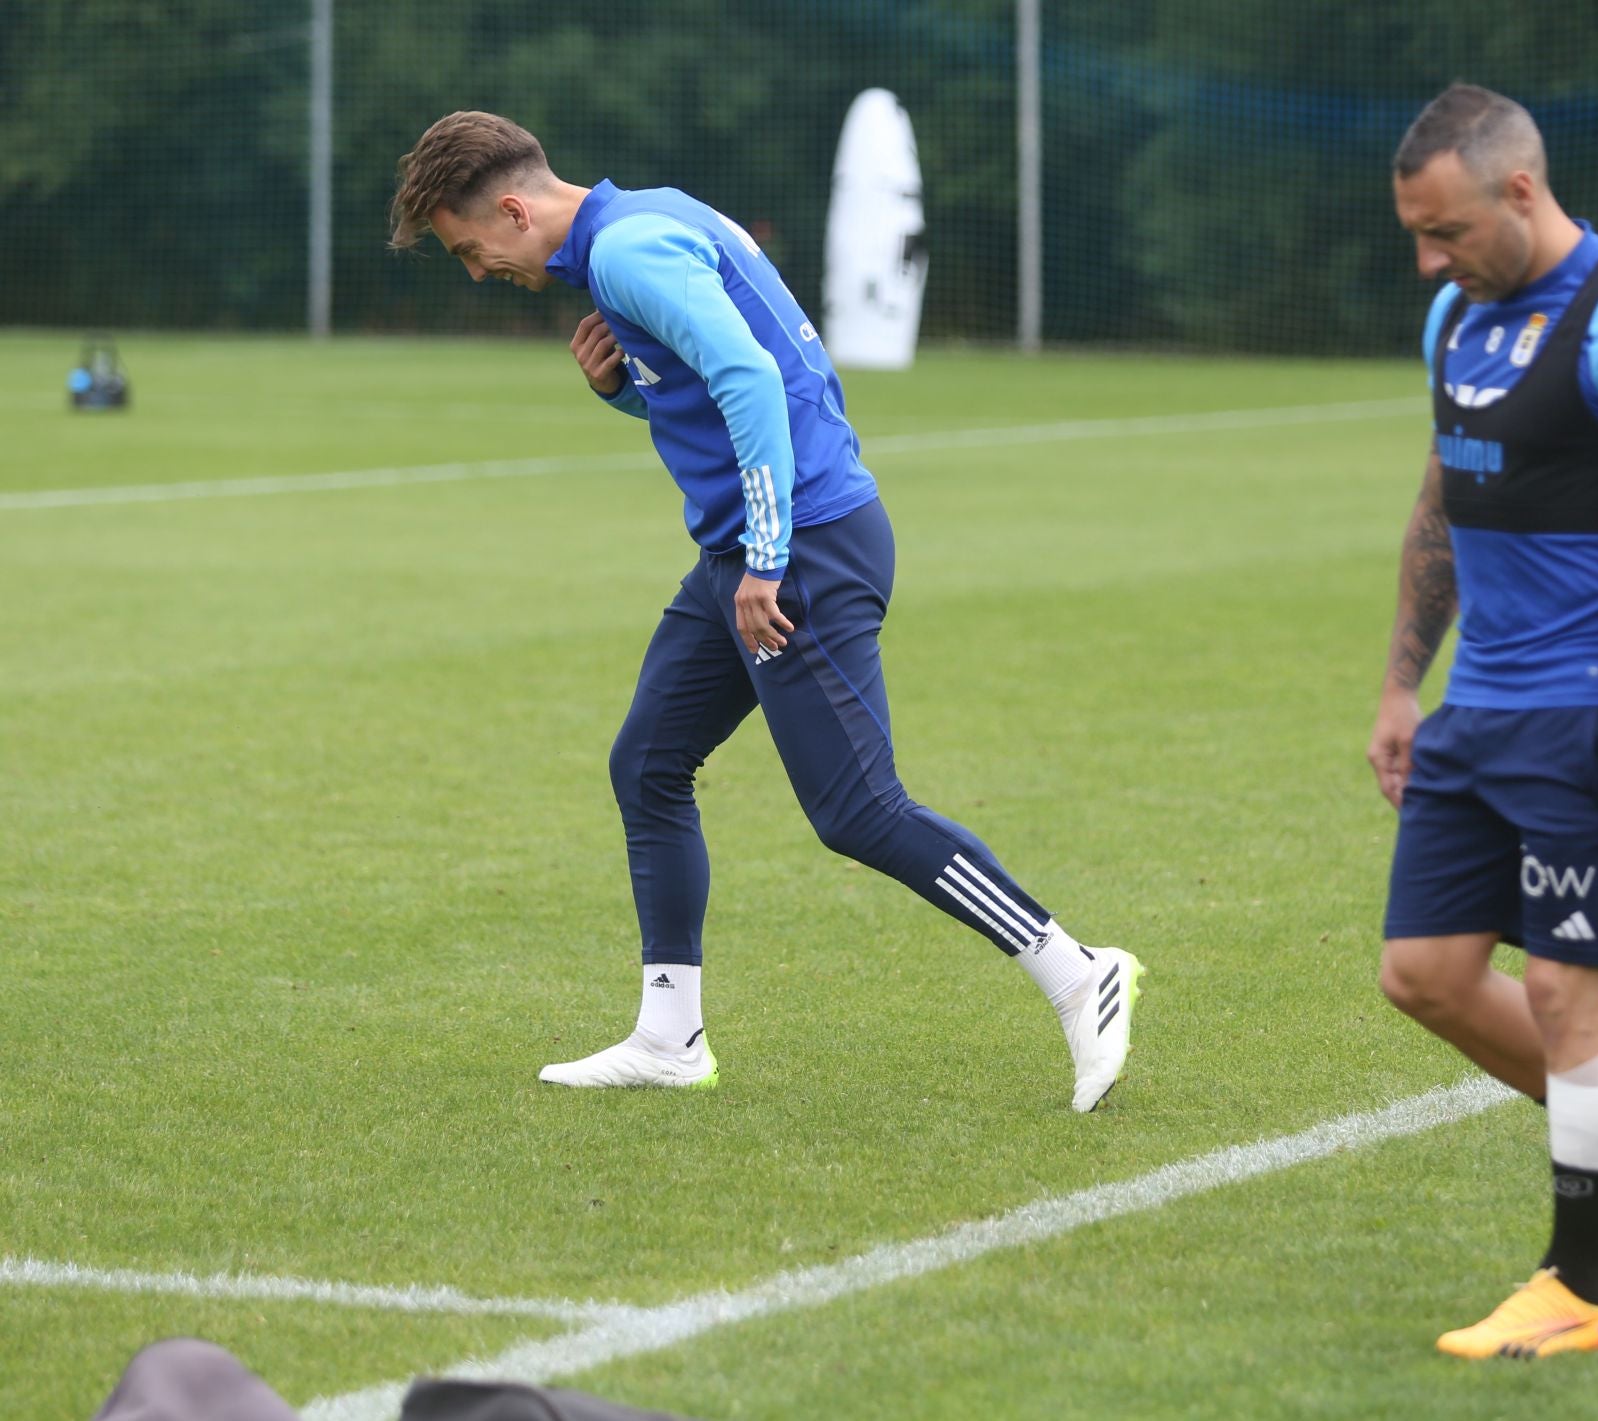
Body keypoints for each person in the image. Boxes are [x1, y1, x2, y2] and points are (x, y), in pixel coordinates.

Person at [387, 112, 1141, 1112]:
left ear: (516, 210)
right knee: (648, 763)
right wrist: (622, 393)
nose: (479, 273)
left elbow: (752, 379)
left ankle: (1079, 969)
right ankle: (669, 1035)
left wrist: (770, 557)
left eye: (470, 250)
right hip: (745, 551)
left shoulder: (626, 251)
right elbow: (715, 384)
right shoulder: (647, 221)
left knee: (859, 810)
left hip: (801, 551)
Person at [1367, 85, 1598, 1357]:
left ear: (1521, 191)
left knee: (1574, 989)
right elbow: (1441, 500)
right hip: (1478, 713)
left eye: (1447, 229)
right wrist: (1407, 683)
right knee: (1424, 976)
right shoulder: (1454, 321)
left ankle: (1577, 1283)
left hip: (1594, 714)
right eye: (1417, 234)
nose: (1430, 257)